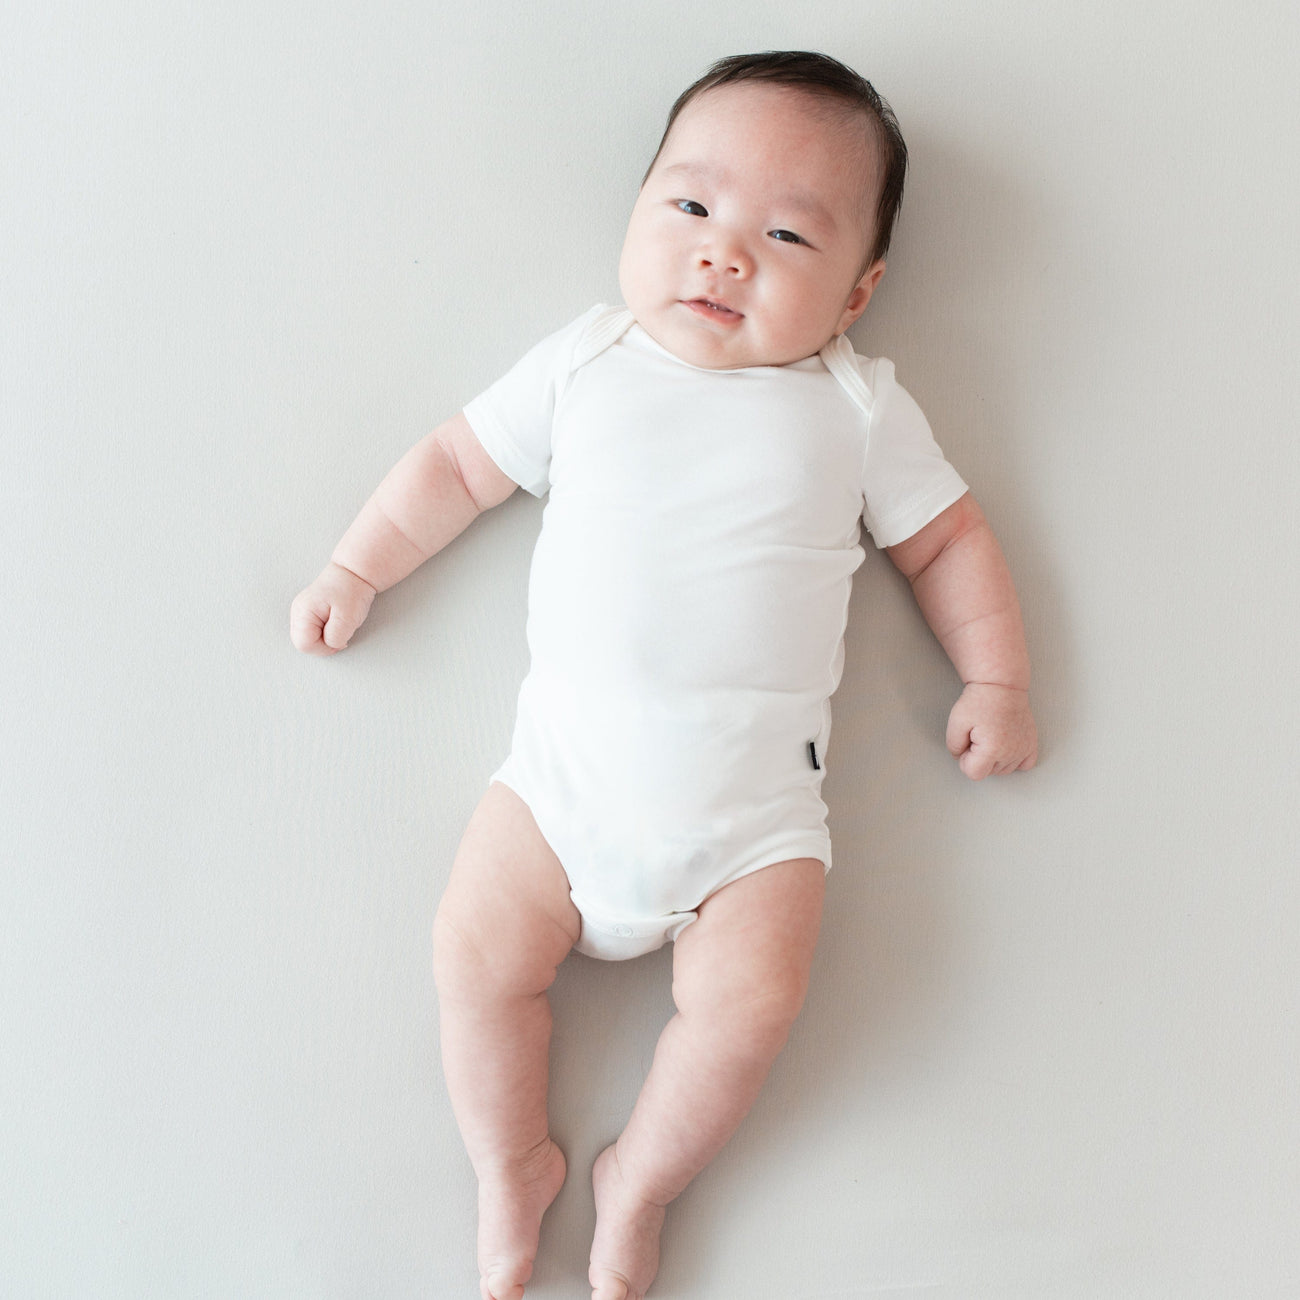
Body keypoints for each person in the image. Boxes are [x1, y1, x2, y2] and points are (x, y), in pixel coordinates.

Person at [290, 50, 1037, 1300]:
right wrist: (356, 566)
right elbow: (456, 467)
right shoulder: (586, 360)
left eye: (785, 234)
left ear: (858, 291)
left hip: (751, 829)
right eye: (689, 206)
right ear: (637, 215)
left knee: (751, 1007)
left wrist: (995, 680)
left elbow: (948, 541)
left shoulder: (854, 408)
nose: (723, 254)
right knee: (472, 958)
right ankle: (509, 1161)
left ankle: (639, 1179)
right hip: (557, 790)